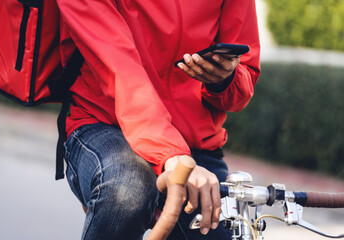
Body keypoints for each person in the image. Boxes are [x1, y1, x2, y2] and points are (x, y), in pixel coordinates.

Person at [57, 0, 260, 239]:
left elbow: (245, 78)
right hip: (105, 125)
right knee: (127, 190)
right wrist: (171, 154)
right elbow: (120, 69)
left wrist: (224, 79)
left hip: (194, 144)